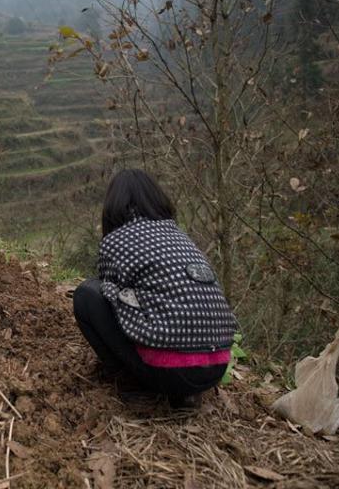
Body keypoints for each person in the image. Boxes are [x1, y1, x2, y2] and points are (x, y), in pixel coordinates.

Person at [72, 169, 238, 408]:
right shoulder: (180, 236)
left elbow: (107, 296)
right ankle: (186, 394)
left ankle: (132, 384)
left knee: (87, 294)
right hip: (216, 368)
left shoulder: (116, 240)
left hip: (170, 372)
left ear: (113, 206)